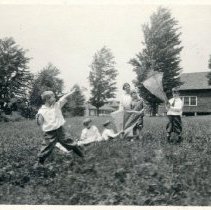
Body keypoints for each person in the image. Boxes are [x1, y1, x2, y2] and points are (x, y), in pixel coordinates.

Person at [34, 90, 84, 168]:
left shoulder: (57, 105)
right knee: (46, 148)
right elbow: (39, 122)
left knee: (70, 142)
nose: (55, 98)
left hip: (60, 130)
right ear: (47, 99)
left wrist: (72, 92)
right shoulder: (42, 111)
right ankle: (39, 163)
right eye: (53, 96)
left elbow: (63, 98)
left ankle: (82, 156)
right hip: (49, 133)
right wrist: (38, 119)